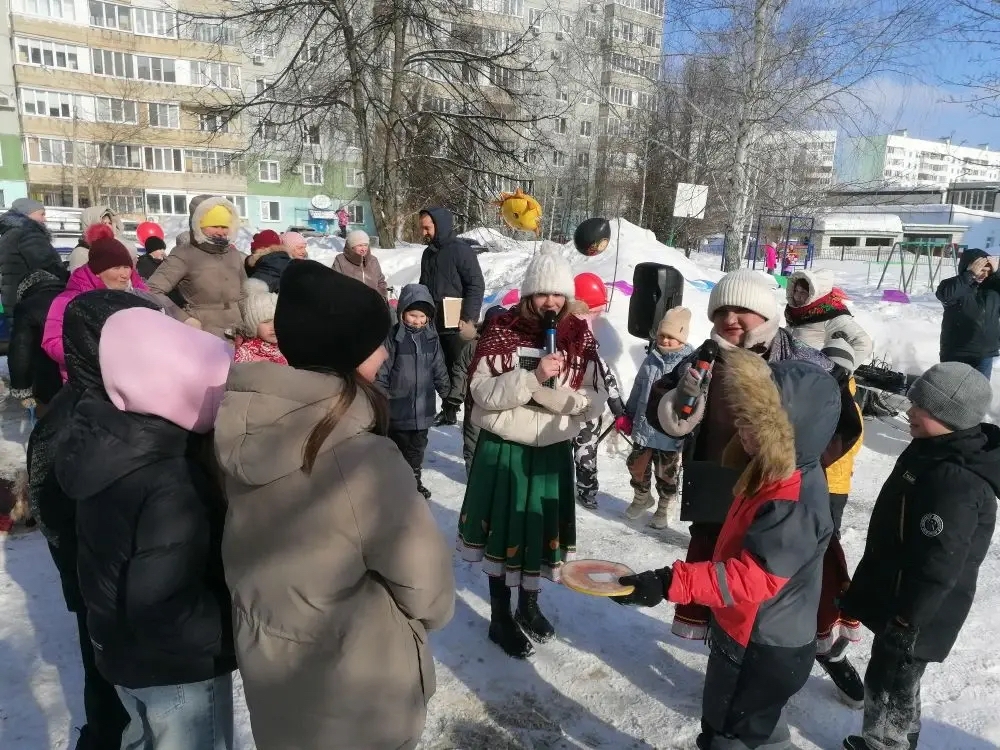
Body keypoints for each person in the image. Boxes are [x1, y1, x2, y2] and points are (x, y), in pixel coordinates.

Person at [215, 260, 455, 750]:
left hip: (274, 676)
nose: (385, 353)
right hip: (356, 693)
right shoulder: (363, 460)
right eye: (375, 343)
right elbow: (429, 592)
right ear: (348, 352)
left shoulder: (242, 423)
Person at [646, 268, 864, 699]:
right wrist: (679, 406)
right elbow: (660, 409)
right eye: (721, 310)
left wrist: (794, 467)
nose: (730, 318)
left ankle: (830, 655)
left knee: (803, 593)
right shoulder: (706, 358)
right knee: (726, 587)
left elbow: (845, 425)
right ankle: (728, 670)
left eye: (741, 309)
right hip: (721, 498)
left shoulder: (805, 362)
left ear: (764, 312)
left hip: (786, 505)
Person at [616, 350, 844, 750]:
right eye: (742, 417)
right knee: (751, 726)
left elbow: (752, 578)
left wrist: (669, 582)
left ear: (791, 431)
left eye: (755, 424)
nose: (741, 428)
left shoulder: (792, 500)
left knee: (728, 734)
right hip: (752, 632)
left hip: (762, 644)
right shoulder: (777, 472)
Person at [55, 306, 236, 750]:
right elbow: (161, 602)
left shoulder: (106, 440)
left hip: (121, 653)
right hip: (178, 671)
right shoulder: (171, 478)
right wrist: (232, 632)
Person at [27, 291, 163, 750]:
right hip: (104, 588)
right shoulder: (72, 420)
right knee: (111, 692)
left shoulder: (137, 398)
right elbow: (51, 512)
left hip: (144, 587)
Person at [457, 247, 607, 659]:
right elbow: (481, 392)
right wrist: (531, 379)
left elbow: (596, 395)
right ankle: (500, 616)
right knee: (504, 531)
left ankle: (529, 604)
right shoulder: (502, 331)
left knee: (538, 531)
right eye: (542, 294)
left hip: (551, 450)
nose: (550, 303)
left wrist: (564, 401)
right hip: (505, 447)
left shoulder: (579, 336)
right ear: (528, 295)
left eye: (557, 294)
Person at [841, 363, 997, 750]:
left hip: (918, 610)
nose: (909, 411)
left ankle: (886, 745)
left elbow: (940, 563)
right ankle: (901, 739)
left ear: (949, 417)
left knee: (889, 681)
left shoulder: (954, 479)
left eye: (921, 407)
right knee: (900, 680)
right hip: (908, 600)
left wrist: (908, 619)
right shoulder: (934, 448)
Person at [785, 267, 874, 700]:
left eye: (805, 288)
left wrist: (838, 368)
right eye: (795, 287)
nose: (798, 294)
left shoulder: (835, 317)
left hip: (827, 457)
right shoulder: (791, 320)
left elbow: (863, 343)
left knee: (822, 552)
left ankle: (828, 646)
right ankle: (778, 644)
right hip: (791, 441)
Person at [620, 307, 693, 527]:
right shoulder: (651, 359)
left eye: (671, 336)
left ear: (682, 337)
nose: (665, 340)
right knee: (636, 465)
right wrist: (629, 414)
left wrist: (687, 427)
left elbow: (693, 400)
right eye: (662, 335)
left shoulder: (688, 364)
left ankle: (664, 504)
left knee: (666, 473)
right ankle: (642, 497)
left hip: (668, 431)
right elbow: (638, 387)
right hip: (644, 427)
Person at [42, 233, 149, 382]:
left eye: (126, 267)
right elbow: (52, 341)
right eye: (116, 268)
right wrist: (92, 355)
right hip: (86, 381)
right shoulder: (68, 300)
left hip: (135, 380)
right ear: (98, 272)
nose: (124, 274)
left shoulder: (140, 296)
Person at [376, 284, 450, 499]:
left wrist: (447, 394)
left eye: (422, 317)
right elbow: (382, 371)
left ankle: (414, 480)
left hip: (423, 408)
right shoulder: (393, 338)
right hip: (398, 407)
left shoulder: (432, 339)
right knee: (398, 447)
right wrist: (381, 398)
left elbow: (439, 368)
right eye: (413, 315)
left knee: (417, 448)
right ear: (402, 313)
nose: (417, 321)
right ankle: (395, 482)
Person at [418, 207, 486, 426]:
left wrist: (468, 317)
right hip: (434, 322)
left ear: (439, 225)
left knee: (460, 370)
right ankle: (447, 411)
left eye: (427, 228)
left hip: (457, 323)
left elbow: (476, 285)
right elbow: (423, 285)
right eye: (422, 228)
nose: (424, 233)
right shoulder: (428, 253)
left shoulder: (460, 250)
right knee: (441, 369)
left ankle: (467, 414)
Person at [148, 195, 246, 338]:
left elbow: (244, 294)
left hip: (239, 334)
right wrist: (184, 318)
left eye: (224, 226)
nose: (221, 232)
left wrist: (252, 324)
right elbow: (151, 290)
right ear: (198, 225)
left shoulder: (233, 253)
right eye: (214, 226)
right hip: (204, 335)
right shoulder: (184, 254)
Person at [569, 298, 625, 510]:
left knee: (585, 457)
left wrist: (619, 412)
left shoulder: (596, 360)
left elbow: (610, 385)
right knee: (559, 456)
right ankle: (559, 487)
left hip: (589, 418)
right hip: (562, 415)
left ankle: (587, 491)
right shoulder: (558, 356)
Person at [456, 304, 508, 476]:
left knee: (498, 443)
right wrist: (456, 395)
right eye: (493, 326)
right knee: (473, 441)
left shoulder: (510, 349)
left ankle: (496, 475)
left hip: (501, 404)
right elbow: (460, 370)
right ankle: (474, 476)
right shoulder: (473, 346)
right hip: (474, 403)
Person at [0, 198, 69, 325]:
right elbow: (47, 264)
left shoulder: (10, 233)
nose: (45, 219)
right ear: (27, 214)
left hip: (13, 299)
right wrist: (67, 278)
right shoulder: (28, 233)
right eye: (42, 214)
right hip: (34, 301)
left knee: (18, 334)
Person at [935, 248, 1000, 380]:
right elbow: (945, 295)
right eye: (981, 269)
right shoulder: (955, 285)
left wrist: (997, 273)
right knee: (951, 388)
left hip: (984, 355)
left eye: (988, 271)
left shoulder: (993, 288)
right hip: (956, 353)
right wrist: (970, 274)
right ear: (967, 267)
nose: (984, 274)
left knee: (979, 391)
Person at [8, 271, 65, 416]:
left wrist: (21, 387)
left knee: (48, 421)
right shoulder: (73, 296)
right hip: (80, 380)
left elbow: (21, 349)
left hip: (46, 382)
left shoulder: (26, 307)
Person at [234, 279, 286, 365]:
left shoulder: (286, 346)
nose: (274, 326)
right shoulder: (246, 354)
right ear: (252, 326)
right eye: (266, 321)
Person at [68, 205, 133, 272]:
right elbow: (79, 277)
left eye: (110, 223)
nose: (108, 226)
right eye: (104, 223)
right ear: (91, 225)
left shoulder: (117, 248)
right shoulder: (81, 253)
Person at [332, 230, 388, 298]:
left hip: (372, 301)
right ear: (351, 247)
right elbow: (334, 283)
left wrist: (381, 296)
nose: (363, 249)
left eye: (365, 245)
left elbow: (380, 281)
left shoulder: (373, 260)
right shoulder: (341, 260)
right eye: (360, 245)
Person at [137, 235, 187, 308]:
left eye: (163, 249)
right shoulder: (144, 263)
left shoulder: (162, 262)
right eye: (160, 249)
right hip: (158, 300)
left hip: (170, 299)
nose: (163, 252)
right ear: (152, 250)